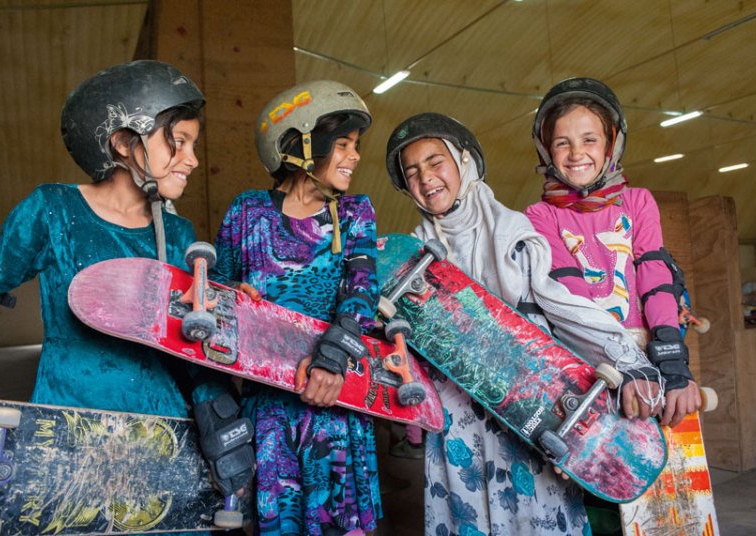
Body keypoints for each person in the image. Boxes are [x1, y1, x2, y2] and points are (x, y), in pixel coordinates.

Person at [0, 60, 254, 527]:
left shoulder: (181, 235)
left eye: (194, 145)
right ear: (124, 142)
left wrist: (221, 409)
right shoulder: (53, 210)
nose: (192, 159)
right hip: (68, 432)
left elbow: (195, 349)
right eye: (179, 141)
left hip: (163, 436)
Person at [385, 112, 664, 535]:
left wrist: (628, 361)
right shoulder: (409, 258)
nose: (425, 178)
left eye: (435, 162)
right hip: (457, 420)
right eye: (412, 172)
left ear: (464, 162)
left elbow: (563, 307)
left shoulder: (513, 232)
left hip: (529, 413)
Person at [209, 80, 381, 536]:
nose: (355, 156)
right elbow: (215, 292)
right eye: (343, 145)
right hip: (268, 410)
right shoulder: (247, 212)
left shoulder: (355, 213)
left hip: (334, 397)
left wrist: (332, 358)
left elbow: (362, 292)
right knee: (278, 523)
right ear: (305, 145)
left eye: (356, 146)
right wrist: (232, 296)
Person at [525, 77, 702, 429]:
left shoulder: (637, 202)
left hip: (651, 359)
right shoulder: (540, 216)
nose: (577, 153)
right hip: (590, 362)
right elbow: (572, 297)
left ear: (611, 145)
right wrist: (624, 365)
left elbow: (655, 279)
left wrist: (673, 364)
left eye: (589, 140)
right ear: (547, 152)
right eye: (562, 143)